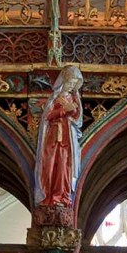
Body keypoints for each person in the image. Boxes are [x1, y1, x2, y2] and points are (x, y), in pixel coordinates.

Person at [35, 65, 84, 207]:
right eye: (69, 83)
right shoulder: (55, 99)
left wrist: (75, 111)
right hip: (54, 137)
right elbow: (47, 116)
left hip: (68, 138)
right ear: (62, 82)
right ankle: (51, 195)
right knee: (51, 165)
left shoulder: (73, 98)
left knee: (65, 166)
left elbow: (77, 118)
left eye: (74, 84)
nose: (71, 87)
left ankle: (63, 195)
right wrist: (63, 110)